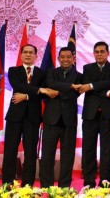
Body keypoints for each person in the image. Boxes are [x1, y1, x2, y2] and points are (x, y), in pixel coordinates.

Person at [2, 44, 55, 187]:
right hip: (14, 117)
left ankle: (27, 185)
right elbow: (18, 87)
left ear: (36, 55)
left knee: (31, 153)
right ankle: (7, 184)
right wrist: (39, 90)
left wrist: (26, 96)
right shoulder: (13, 70)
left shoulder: (42, 73)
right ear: (21, 55)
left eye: (31, 52)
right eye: (25, 52)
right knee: (10, 151)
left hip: (33, 118)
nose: (28, 55)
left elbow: (44, 95)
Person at [79, 41, 110, 187]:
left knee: (107, 150)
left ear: (108, 53)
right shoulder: (87, 68)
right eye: (96, 52)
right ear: (93, 53)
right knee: (88, 149)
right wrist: (108, 92)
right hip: (90, 114)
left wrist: (91, 86)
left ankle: (105, 182)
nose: (99, 54)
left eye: (102, 51)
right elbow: (90, 85)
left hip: (108, 114)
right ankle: (88, 182)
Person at [39, 47, 82, 188]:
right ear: (58, 58)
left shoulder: (79, 76)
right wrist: (70, 86)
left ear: (73, 58)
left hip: (69, 121)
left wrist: (57, 92)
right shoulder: (51, 72)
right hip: (51, 119)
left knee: (68, 156)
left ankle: (64, 188)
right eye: (62, 57)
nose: (65, 59)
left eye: (68, 57)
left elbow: (75, 94)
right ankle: (46, 187)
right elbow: (50, 84)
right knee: (47, 156)